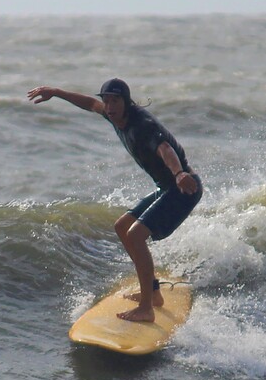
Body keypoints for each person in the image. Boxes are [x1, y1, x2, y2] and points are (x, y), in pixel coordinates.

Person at [27, 78, 202, 322]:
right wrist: (56, 92)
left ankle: (146, 309)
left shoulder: (143, 125)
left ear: (126, 102)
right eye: (107, 100)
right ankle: (153, 294)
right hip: (167, 187)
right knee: (122, 227)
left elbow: (165, 149)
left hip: (184, 188)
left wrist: (179, 173)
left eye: (116, 101)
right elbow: (90, 103)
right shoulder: (113, 115)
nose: (109, 106)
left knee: (136, 234)